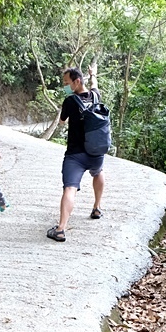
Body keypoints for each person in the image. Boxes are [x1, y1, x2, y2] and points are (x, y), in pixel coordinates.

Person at [47, 66, 105, 242]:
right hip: (96, 152)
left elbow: (62, 122)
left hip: (75, 154)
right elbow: (94, 84)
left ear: (76, 81)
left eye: (66, 83)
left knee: (70, 188)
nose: (65, 86)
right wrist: (92, 74)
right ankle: (96, 208)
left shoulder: (70, 102)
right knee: (99, 172)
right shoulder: (96, 95)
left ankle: (61, 229)